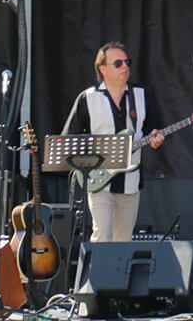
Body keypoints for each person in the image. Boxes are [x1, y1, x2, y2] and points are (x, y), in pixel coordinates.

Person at [62, 42, 166, 243]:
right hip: (99, 181)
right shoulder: (88, 98)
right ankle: (97, 275)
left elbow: (154, 128)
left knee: (123, 241)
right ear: (102, 69)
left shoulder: (141, 95)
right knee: (102, 236)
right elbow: (70, 140)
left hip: (131, 180)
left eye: (127, 62)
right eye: (117, 63)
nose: (125, 67)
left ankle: (115, 275)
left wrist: (157, 139)